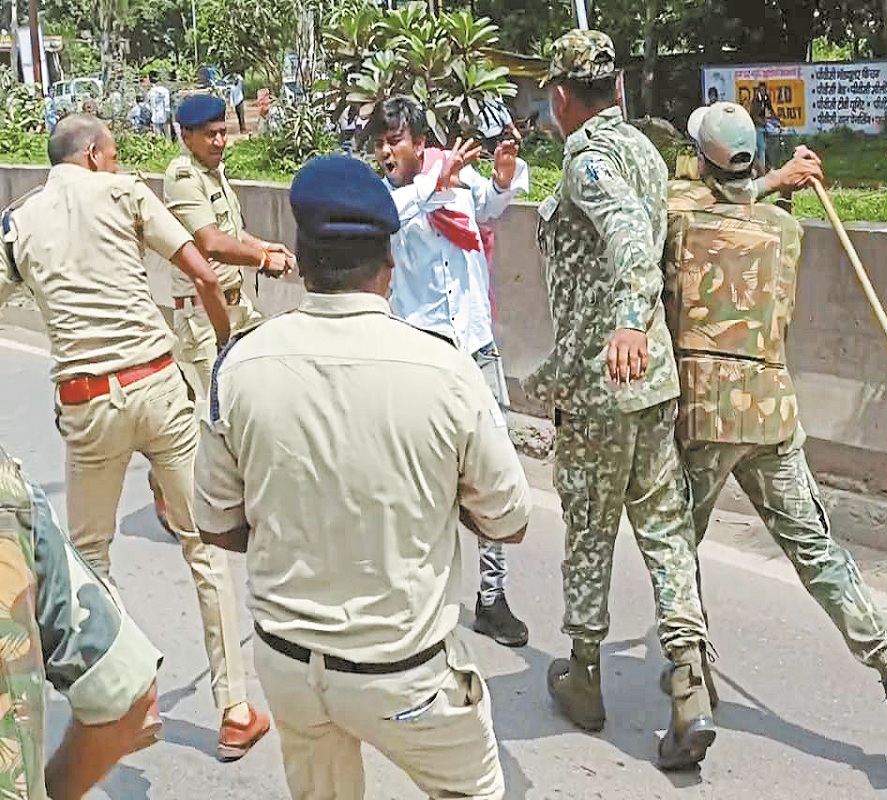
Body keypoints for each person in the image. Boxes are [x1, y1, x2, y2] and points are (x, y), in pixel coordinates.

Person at [195, 154, 532, 800]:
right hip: (405, 673)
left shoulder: (240, 366)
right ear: (391, 263)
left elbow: (219, 524)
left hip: (288, 664)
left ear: (300, 255)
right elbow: (509, 520)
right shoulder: (444, 372)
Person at [662, 101, 887, 773]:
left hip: (704, 414)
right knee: (819, 553)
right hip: (771, 410)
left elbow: (692, 200)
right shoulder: (785, 232)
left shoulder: (679, 215)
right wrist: (784, 182)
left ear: (703, 162)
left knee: (677, 546)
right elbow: (747, 201)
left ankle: (687, 683)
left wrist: (768, 182)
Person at [0, 114, 271, 762]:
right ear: (93, 155)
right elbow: (204, 272)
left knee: (91, 558)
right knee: (204, 547)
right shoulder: (126, 194)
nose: (118, 164)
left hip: (87, 404)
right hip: (156, 386)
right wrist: (226, 342)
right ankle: (234, 709)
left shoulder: (17, 222)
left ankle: (126, 697)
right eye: (115, 155)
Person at [526, 28, 716, 770]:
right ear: (621, 91)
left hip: (603, 380)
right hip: (654, 386)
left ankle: (584, 676)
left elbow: (633, 238)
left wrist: (628, 321)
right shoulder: (642, 148)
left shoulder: (590, 156)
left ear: (561, 96)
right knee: (666, 532)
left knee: (589, 529)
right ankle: (690, 679)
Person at [368, 96, 532, 649]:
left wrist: (504, 176)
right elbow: (395, 219)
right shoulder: (385, 201)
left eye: (395, 140)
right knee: (425, 479)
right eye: (380, 142)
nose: (386, 150)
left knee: (493, 468)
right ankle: (423, 597)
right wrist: (432, 181)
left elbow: (491, 204)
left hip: (477, 349)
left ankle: (492, 596)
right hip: (424, 354)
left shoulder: (456, 183)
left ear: (418, 142)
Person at [0, 443, 164, 800]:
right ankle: (234, 706)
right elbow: (128, 690)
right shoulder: (7, 495)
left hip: (92, 410)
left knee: (92, 545)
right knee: (204, 558)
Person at [163, 93, 294, 403]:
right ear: (186, 136)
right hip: (203, 316)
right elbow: (212, 243)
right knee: (223, 413)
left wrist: (264, 245)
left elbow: (230, 231)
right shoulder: (182, 177)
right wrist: (262, 260)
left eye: (222, 133)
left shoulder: (214, 172)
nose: (219, 142)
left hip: (237, 305)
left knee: (269, 385)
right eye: (210, 135)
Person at [748, 81, 775, 175]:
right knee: (761, 148)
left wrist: (775, 119)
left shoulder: (766, 98)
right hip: (756, 126)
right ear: (759, 90)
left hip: (763, 126)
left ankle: (764, 168)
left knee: (764, 148)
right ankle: (762, 171)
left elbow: (771, 109)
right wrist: (763, 122)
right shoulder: (755, 100)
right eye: (761, 90)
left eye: (764, 90)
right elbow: (753, 116)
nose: (763, 92)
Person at [146, 72, 171, 137]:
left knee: (158, 136)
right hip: (164, 115)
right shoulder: (165, 90)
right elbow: (167, 104)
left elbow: (148, 106)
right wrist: (168, 115)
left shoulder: (150, 92)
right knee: (167, 136)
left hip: (154, 117)